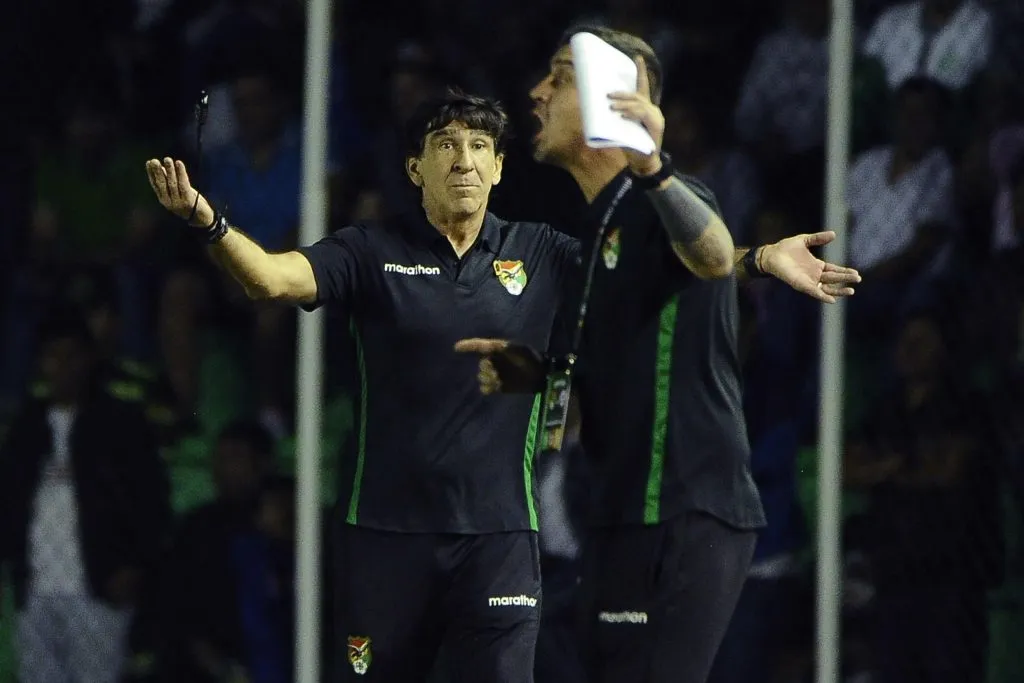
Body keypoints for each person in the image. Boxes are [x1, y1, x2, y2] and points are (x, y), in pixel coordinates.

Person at [146, 88, 857, 682]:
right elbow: (271, 280)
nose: (463, 159)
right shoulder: (368, 251)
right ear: (415, 168)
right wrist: (208, 221)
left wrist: (760, 258)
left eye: (479, 146)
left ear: (498, 168)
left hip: (500, 540)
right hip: (386, 539)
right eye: (445, 145)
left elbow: (659, 271)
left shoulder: (542, 252)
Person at [455, 26, 859, 683]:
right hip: (618, 516)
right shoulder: (597, 232)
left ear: (612, 101)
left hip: (682, 510)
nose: (536, 92)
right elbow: (601, 363)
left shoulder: (667, 197)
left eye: (560, 77)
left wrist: (653, 167)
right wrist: (527, 371)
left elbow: (709, 254)